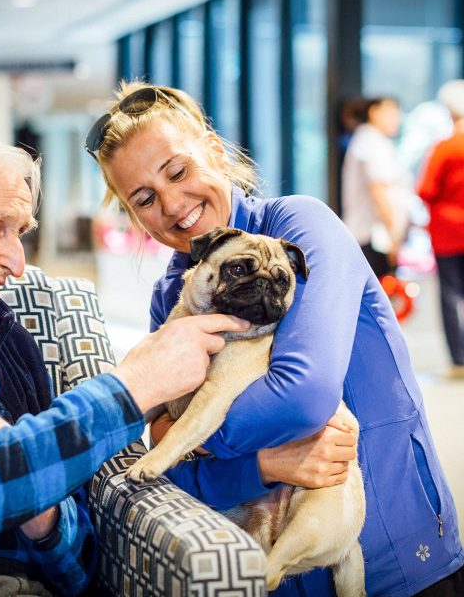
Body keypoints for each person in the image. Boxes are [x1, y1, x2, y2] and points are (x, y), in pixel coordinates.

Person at [86, 81, 464, 596]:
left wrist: (182, 431)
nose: (173, 203)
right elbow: (172, 468)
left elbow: (302, 397)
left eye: (178, 171)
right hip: (267, 572)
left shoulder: (301, 227)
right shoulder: (172, 295)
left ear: (214, 152)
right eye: (145, 198)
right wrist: (256, 465)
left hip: (393, 555)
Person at [0, 117, 261, 596]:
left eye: (20, 232)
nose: (16, 262)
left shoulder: (8, 343)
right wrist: (135, 384)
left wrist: (33, 496)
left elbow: (83, 565)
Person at [417, 80, 464, 380]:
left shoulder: (445, 147)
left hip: (448, 231)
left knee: (451, 293)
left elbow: (426, 189)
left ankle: (459, 358)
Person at [341, 96, 413, 278]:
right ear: (373, 112)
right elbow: (378, 190)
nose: (396, 118)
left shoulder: (373, 140)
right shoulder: (371, 142)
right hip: (372, 237)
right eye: (391, 112)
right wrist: (394, 233)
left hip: (373, 236)